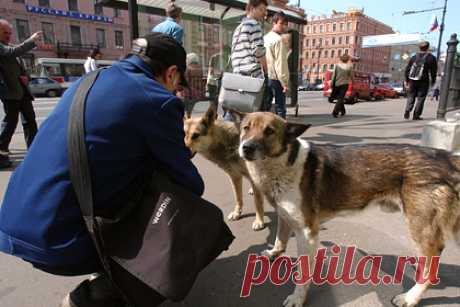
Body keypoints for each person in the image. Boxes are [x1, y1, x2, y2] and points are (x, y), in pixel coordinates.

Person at [0, 33, 204, 307]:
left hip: (15, 220)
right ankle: (97, 297)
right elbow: (190, 184)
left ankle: (109, 267)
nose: (176, 89)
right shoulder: (157, 99)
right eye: (178, 83)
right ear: (171, 73)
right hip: (59, 242)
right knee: (188, 215)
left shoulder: (88, 80)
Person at [0, 19, 41, 169]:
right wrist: (31, 41)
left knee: (30, 121)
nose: (9, 36)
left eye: (10, 33)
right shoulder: (4, 48)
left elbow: (21, 68)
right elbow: (13, 52)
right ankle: (1, 154)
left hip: (22, 91)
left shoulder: (9, 46)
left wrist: (26, 77)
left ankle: (35, 151)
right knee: (10, 123)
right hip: (10, 92)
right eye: (5, 33)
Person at [224, 0, 268, 120]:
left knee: (235, 110)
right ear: (252, 8)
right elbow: (259, 51)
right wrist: (266, 69)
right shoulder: (254, 25)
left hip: (238, 73)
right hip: (252, 74)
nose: (264, 13)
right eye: (261, 9)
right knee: (254, 113)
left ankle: (226, 133)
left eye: (265, 11)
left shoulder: (239, 27)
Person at [264, 12, 290, 119]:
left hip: (265, 76)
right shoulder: (278, 40)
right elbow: (280, 63)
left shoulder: (265, 38)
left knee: (266, 107)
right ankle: (282, 133)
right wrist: (284, 82)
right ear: (274, 23)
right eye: (281, 23)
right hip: (276, 78)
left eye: (286, 24)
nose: (284, 26)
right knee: (280, 107)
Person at [404, 41, 437, 120]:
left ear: (419, 47)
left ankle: (407, 109)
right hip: (424, 81)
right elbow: (433, 71)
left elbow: (407, 69)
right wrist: (433, 81)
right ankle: (416, 115)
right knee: (421, 98)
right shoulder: (431, 58)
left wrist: (407, 79)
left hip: (412, 80)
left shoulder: (414, 57)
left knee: (411, 96)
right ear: (428, 48)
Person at [178, 53, 205, 118]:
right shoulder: (200, 69)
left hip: (189, 95)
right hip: (199, 94)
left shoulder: (188, 69)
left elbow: (185, 83)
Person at [206, 45, 230, 109]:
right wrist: (220, 73)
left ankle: (216, 114)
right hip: (212, 82)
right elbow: (211, 70)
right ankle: (213, 115)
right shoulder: (215, 57)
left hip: (219, 82)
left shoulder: (228, 59)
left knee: (221, 100)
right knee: (213, 101)